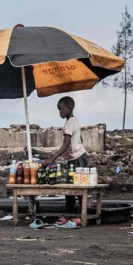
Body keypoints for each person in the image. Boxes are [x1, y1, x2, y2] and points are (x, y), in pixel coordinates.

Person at [44, 96, 90, 226]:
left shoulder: (70, 122)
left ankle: (79, 216)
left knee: (77, 189)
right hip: (75, 158)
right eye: (58, 110)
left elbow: (65, 144)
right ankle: (71, 214)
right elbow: (79, 138)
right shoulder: (73, 121)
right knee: (71, 188)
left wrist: (50, 159)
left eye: (61, 109)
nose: (60, 112)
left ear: (70, 108)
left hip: (78, 159)